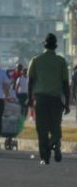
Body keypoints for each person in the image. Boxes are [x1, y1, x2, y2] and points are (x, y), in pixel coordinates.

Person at [27, 33, 71, 165]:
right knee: (55, 127)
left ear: (44, 45)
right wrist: (67, 103)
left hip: (40, 100)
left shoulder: (36, 60)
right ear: (55, 46)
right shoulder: (61, 61)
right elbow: (65, 85)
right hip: (56, 100)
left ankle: (44, 156)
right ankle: (54, 144)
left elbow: (30, 81)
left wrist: (30, 99)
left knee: (42, 129)